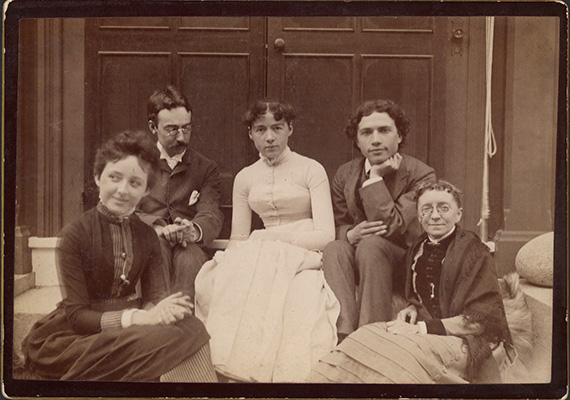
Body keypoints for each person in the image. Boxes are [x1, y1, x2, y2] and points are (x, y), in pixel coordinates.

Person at [21, 131, 216, 382]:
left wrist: (163, 311)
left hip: (129, 331)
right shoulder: (74, 235)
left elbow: (155, 297)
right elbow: (78, 317)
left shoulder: (147, 236)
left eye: (135, 183)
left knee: (192, 327)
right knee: (148, 341)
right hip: (78, 335)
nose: (123, 190)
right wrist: (141, 318)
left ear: (146, 190)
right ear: (97, 177)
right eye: (114, 177)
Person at [308, 180, 516, 383]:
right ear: (419, 215)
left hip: (468, 343)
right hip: (426, 332)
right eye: (427, 209)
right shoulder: (418, 248)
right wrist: (412, 306)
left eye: (443, 208)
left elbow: (478, 322)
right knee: (362, 336)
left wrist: (422, 329)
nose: (434, 216)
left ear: (458, 214)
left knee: (396, 358)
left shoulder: (474, 252)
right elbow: (425, 291)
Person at [194, 100, 340, 382]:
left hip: (304, 249)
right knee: (221, 280)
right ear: (251, 133)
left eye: (277, 128)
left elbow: (326, 235)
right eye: (260, 129)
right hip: (260, 250)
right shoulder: (245, 177)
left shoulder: (311, 169)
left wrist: (273, 237)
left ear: (290, 129)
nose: (269, 137)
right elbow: (239, 237)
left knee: (302, 297)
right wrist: (229, 261)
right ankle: (238, 369)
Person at [322, 99, 436, 340]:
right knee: (335, 248)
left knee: (372, 244)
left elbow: (392, 225)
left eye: (384, 130)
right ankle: (343, 333)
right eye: (366, 132)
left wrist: (375, 178)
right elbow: (338, 222)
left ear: (400, 136)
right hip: (361, 255)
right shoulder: (345, 173)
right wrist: (349, 234)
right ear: (357, 140)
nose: (375, 140)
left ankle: (370, 336)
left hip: (402, 263)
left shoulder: (422, 175)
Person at [136, 86, 223, 302]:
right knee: (157, 251)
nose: (182, 137)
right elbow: (126, 210)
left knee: (190, 257)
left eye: (187, 128)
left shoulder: (205, 167)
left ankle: (185, 325)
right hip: (149, 240)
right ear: (153, 127)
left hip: (188, 244)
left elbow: (211, 212)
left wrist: (192, 230)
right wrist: (156, 227)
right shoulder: (136, 163)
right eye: (172, 130)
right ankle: (157, 321)